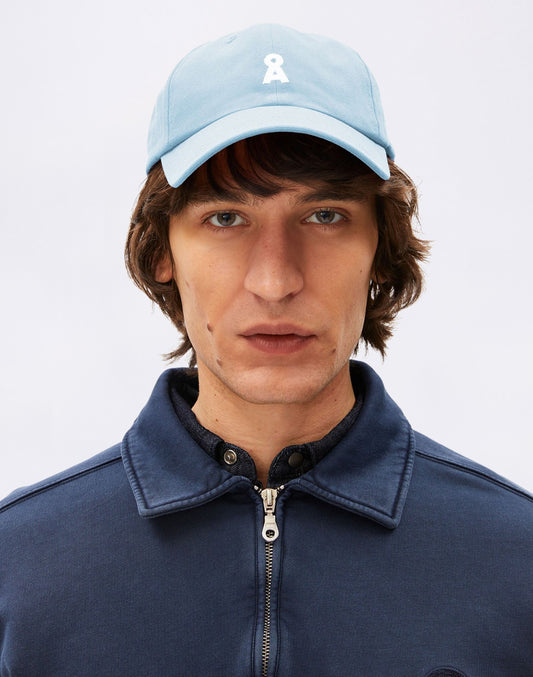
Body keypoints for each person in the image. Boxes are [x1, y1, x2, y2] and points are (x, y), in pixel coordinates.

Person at [0, 23, 531, 677]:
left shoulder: (517, 562)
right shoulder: (17, 566)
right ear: (163, 250)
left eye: (324, 216)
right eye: (225, 218)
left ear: (380, 247)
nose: (276, 281)